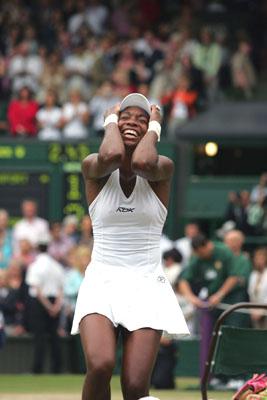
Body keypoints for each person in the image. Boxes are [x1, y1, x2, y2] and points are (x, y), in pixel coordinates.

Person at [71, 92, 189, 400]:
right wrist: (111, 120)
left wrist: (155, 126)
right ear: (113, 122)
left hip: (147, 283)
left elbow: (142, 162)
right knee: (100, 364)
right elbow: (111, 156)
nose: (132, 123)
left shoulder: (162, 167)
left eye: (142, 119)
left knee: (136, 388)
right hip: (102, 281)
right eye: (125, 117)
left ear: (153, 128)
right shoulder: (93, 166)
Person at [178, 233, 243, 379]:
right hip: (210, 303)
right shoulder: (197, 257)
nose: (201, 256)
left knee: (230, 337)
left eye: (202, 252)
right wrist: (192, 298)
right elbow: (183, 280)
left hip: (231, 302)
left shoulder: (224, 252)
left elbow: (234, 276)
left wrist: (219, 295)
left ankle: (233, 378)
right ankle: (211, 378)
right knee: (210, 340)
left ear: (207, 245)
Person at [25, 234, 65, 374]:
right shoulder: (57, 266)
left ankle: (38, 369)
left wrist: (48, 306)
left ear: (37, 248)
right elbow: (61, 290)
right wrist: (55, 307)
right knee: (54, 337)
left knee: (40, 337)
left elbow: (37, 289)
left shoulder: (34, 266)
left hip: (40, 304)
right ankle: (57, 369)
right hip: (54, 303)